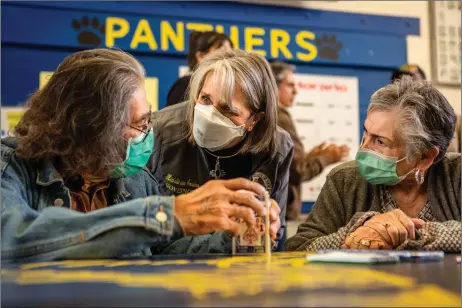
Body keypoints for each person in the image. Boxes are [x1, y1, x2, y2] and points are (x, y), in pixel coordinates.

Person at [1, 48, 280, 262]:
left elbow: (163, 249)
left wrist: (236, 237)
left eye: (148, 121)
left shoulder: (136, 181)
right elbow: (13, 237)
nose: (148, 134)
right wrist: (165, 215)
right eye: (140, 124)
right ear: (90, 127)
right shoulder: (11, 166)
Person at [286, 76, 461, 252]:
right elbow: (297, 248)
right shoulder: (345, 180)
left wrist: (411, 234)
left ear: (425, 157)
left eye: (380, 141)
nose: (363, 148)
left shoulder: (457, 174)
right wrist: (358, 231)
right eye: (366, 133)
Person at [148, 49, 293, 253]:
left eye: (227, 110)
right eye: (205, 99)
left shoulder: (276, 147)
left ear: (254, 120)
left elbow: (272, 239)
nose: (209, 115)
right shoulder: (160, 131)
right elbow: (143, 232)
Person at [270, 61, 350, 221]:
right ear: (275, 87)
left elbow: (283, 165)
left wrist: (310, 156)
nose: (296, 91)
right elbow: (296, 172)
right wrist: (327, 158)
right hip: (278, 214)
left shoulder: (269, 115)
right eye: (290, 85)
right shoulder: (280, 117)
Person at [391, 64, 460, 153]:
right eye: (404, 86)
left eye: (416, 84)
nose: (410, 91)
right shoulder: (387, 123)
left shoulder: (454, 121)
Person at [166, 31, 233, 108]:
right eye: (222, 53)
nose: (229, 60)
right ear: (200, 56)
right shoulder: (185, 85)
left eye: (230, 54)